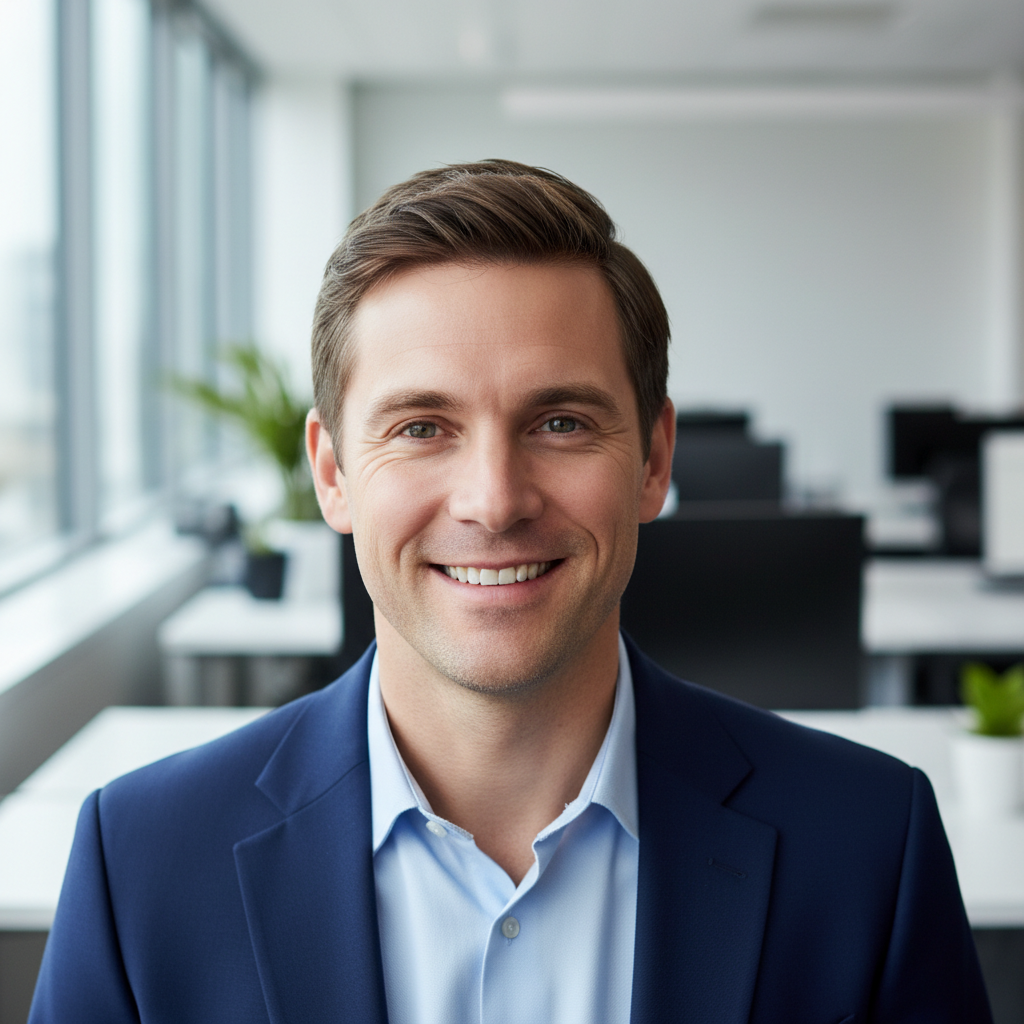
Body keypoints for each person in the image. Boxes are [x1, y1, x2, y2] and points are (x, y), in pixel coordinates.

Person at [31, 160, 991, 1024]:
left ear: (654, 459)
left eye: (562, 421)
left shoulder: (869, 847)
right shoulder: (143, 865)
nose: (493, 501)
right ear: (331, 474)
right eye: (420, 427)